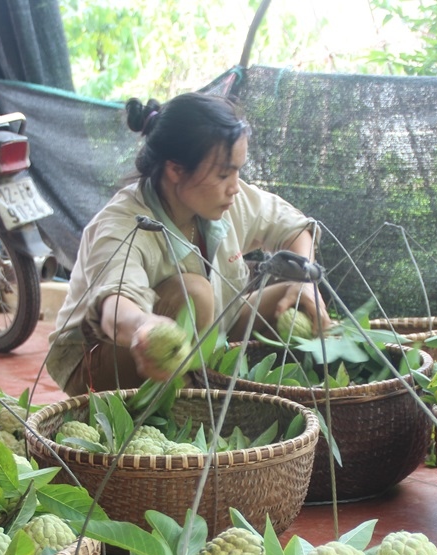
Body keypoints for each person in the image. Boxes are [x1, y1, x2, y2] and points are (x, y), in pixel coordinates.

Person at [45, 91, 330, 394]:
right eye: (223, 174)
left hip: (210, 330)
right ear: (176, 169)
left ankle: (297, 394)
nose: (234, 186)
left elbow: (294, 228)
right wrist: (144, 326)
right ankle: (190, 411)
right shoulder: (122, 224)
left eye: (237, 170)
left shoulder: (227, 198)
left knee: (295, 294)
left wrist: (304, 282)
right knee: (195, 293)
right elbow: (116, 307)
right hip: (102, 356)